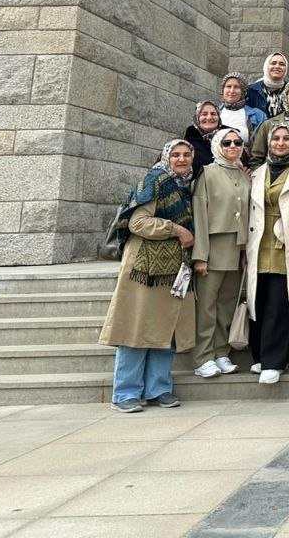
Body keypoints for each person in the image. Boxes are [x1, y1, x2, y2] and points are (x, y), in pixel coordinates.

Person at [100, 140, 197, 412]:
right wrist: (176, 230)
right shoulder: (156, 180)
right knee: (135, 327)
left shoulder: (183, 186)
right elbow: (137, 222)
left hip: (170, 269)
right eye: (175, 154)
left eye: (186, 154)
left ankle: (159, 389)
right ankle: (125, 393)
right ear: (165, 157)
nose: (181, 159)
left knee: (163, 327)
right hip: (144, 267)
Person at [245, 124, 289, 383]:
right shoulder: (256, 173)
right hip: (259, 241)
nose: (281, 142)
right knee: (259, 300)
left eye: (286, 138)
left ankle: (275, 361)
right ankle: (260, 356)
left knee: (279, 302)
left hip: (286, 242)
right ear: (268, 142)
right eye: (276, 138)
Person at [190, 128, 249, 379]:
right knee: (207, 307)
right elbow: (200, 214)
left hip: (237, 249)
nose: (233, 146)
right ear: (217, 145)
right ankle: (203, 357)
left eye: (238, 142)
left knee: (227, 305)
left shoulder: (244, 174)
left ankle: (221, 352)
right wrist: (200, 255)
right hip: (213, 248)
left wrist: (246, 249)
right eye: (227, 142)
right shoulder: (208, 173)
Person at [219, 73, 266, 144]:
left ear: (243, 91)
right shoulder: (214, 113)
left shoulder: (258, 115)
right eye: (228, 86)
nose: (232, 91)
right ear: (223, 90)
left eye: (236, 87)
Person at [183, 100, 219, 180]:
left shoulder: (229, 138)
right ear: (197, 117)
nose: (209, 117)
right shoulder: (187, 138)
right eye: (204, 114)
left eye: (213, 114)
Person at [247, 52, 289, 118]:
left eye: (282, 64)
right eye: (273, 63)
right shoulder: (251, 90)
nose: (277, 66)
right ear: (266, 66)